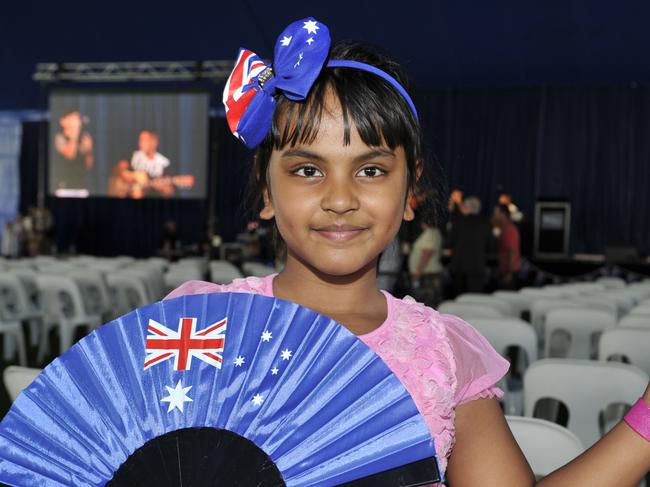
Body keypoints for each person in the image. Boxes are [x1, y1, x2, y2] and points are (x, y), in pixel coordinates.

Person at [165, 17, 650, 486]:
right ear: (266, 191)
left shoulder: (444, 353)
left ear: (411, 190)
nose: (340, 199)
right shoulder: (204, 323)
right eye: (308, 170)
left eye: (371, 170)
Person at [448, 196, 494, 295]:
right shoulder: (485, 224)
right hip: (477, 267)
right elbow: (491, 247)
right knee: (475, 299)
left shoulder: (457, 222)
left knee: (458, 299)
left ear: (466, 208)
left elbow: (449, 242)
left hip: (459, 266)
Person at [53, 109, 94, 190]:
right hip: (63, 185)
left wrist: (89, 151)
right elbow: (70, 155)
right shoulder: (59, 137)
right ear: (63, 121)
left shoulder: (83, 138)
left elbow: (89, 166)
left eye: (77, 118)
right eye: (72, 117)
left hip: (80, 184)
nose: (76, 121)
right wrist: (75, 134)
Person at [408, 220, 443, 307]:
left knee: (426, 303)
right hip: (429, 273)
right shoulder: (435, 232)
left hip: (427, 274)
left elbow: (427, 254)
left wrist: (418, 272)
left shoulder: (430, 233)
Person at [493, 203, 522, 289]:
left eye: (496, 213)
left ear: (503, 215)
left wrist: (510, 273)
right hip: (504, 270)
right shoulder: (502, 229)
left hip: (509, 271)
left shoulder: (509, 230)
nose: (494, 216)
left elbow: (512, 252)